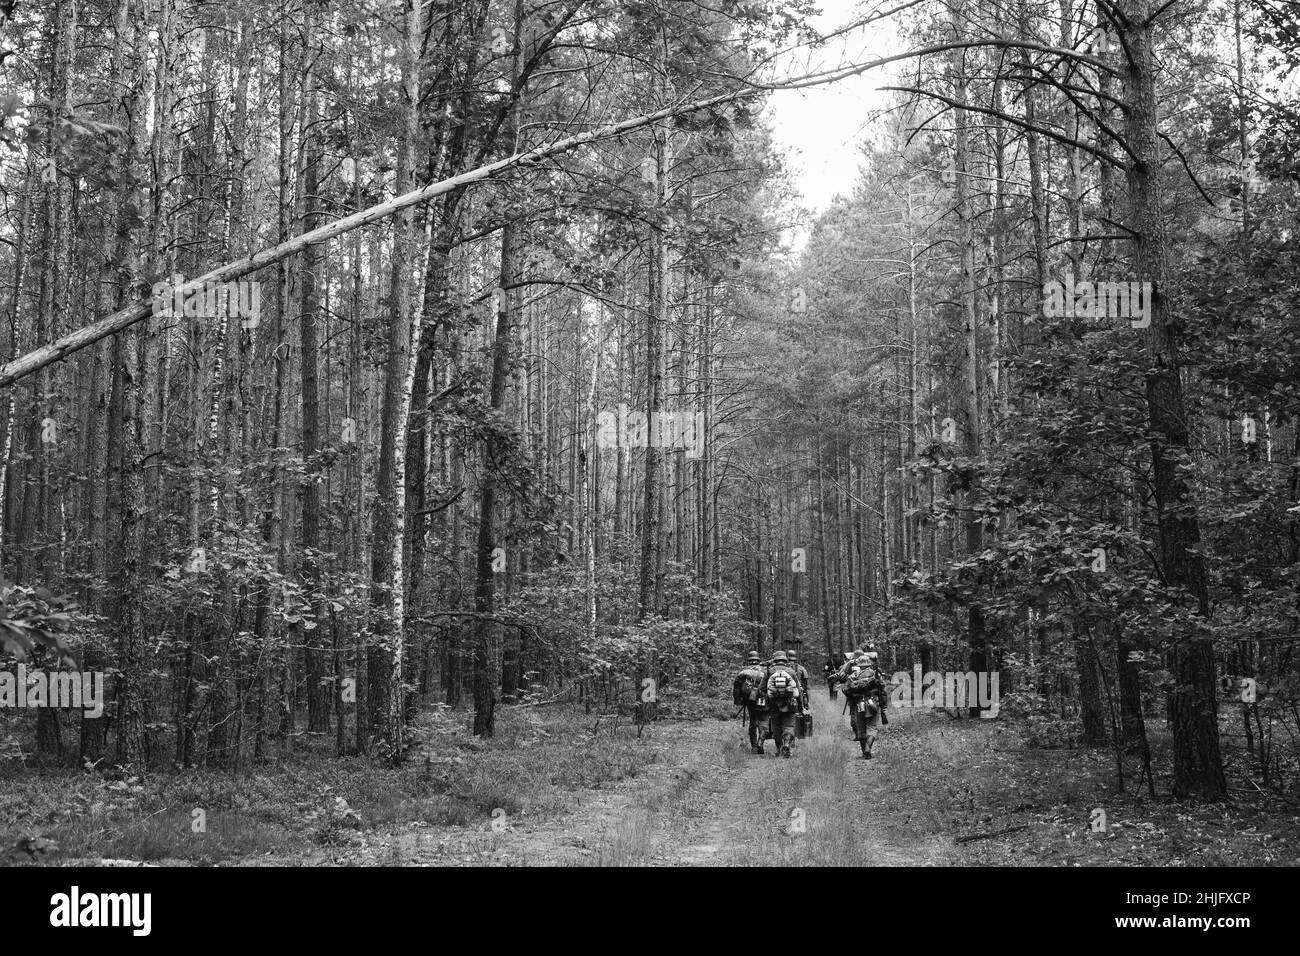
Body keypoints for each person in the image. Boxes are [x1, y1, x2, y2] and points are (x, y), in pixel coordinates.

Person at [841, 651, 888, 759]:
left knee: (861, 728)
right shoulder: (875, 674)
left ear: (859, 665)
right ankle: (868, 748)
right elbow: (883, 690)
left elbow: (846, 690)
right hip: (873, 703)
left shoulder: (853, 675)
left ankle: (864, 752)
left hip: (858, 705)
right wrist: (883, 705)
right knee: (872, 727)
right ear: (869, 663)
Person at [764, 650, 803, 758]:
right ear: (785, 660)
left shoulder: (769, 671)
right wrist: (801, 705)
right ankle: (786, 744)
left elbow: (762, 688)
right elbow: (798, 690)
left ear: (775, 660)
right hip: (790, 704)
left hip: (774, 704)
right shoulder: (791, 672)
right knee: (789, 725)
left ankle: (779, 749)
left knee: (776, 727)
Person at [732, 650, 769, 754]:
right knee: (763, 721)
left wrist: (738, 701)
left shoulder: (743, 672)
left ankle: (754, 747)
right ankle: (760, 742)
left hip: (750, 700)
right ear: (758, 659)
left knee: (753, 721)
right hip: (763, 699)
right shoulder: (765, 671)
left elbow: (737, 687)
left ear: (749, 660)